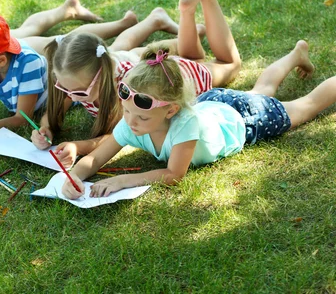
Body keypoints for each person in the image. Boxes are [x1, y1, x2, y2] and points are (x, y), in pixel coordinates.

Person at [61, 18, 328, 200]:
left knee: (305, 107)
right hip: (214, 105)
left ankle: (296, 56)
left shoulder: (185, 124)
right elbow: (95, 159)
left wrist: (123, 180)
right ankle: (295, 56)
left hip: (243, 119)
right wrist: (75, 176)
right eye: (127, 112)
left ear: (170, 111)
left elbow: (174, 174)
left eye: (141, 117)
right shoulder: (134, 118)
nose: (130, 122)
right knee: (260, 92)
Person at [32, 0, 241, 167]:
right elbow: (61, 104)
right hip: (152, 67)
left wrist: (79, 146)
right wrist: (45, 127)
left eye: (79, 92)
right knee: (191, 55)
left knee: (230, 64)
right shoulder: (83, 73)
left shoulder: (125, 92)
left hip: (181, 76)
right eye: (65, 89)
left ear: (101, 75)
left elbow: (122, 136)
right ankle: (185, 12)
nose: (72, 98)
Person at [0, 3, 183, 145]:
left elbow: (22, 118)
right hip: (88, 62)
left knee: (138, 53)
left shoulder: (26, 67)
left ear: (0, 60)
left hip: (116, 65)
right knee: (116, 47)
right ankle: (149, 21)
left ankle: (178, 40)